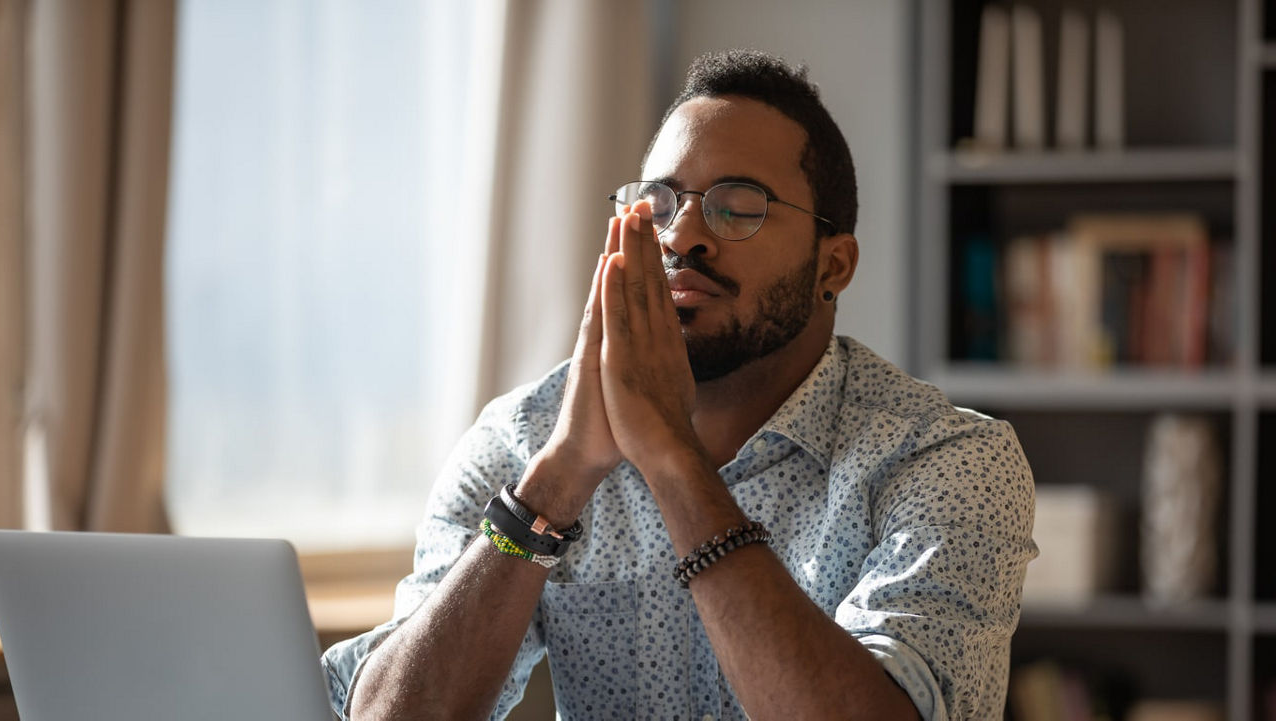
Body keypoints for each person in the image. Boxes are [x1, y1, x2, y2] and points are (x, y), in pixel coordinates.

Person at [322, 49, 1037, 721]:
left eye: (739, 205)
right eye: (660, 204)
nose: (683, 237)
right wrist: (559, 479)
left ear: (833, 266)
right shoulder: (527, 440)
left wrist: (674, 462)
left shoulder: (946, 462)